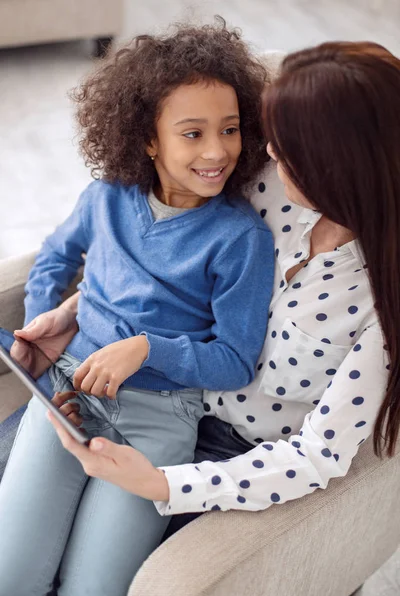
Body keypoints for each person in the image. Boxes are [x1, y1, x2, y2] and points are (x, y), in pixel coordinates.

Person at [40, 40, 400, 538]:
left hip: (235, 457)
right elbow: (174, 261)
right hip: (151, 389)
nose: (265, 152)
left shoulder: (382, 301)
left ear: (338, 162)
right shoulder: (269, 186)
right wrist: (77, 309)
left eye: (286, 144)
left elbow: (319, 454)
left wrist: (165, 483)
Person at [0, 21, 275, 596]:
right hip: (67, 392)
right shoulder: (105, 198)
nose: (217, 151)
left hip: (160, 420)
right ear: (148, 139)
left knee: (94, 591)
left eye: (229, 130)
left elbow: (235, 361)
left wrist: (149, 348)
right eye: (192, 133)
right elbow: (54, 256)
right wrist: (43, 317)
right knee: (11, 577)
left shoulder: (240, 237)